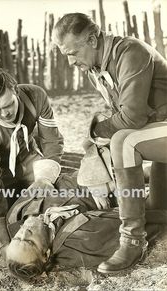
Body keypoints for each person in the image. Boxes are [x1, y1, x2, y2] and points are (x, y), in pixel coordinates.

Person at [52, 13, 167, 274]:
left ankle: (132, 241)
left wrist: (93, 131)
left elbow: (131, 117)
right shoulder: (97, 69)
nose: (70, 61)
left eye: (73, 52)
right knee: (158, 212)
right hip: (162, 138)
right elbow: (121, 115)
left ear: (92, 40)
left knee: (123, 142)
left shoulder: (130, 51)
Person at [4, 174, 167, 281]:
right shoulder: (82, 239)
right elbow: (141, 221)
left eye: (17, 237)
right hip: (124, 191)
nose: (24, 230)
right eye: (30, 241)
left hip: (90, 175)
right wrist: (107, 187)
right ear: (46, 253)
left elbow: (52, 181)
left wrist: (90, 182)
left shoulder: (17, 215)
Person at [0, 68, 64, 251]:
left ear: (16, 91)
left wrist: (45, 178)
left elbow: (51, 140)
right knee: (3, 219)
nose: (4, 113)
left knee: (56, 192)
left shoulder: (35, 96)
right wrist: (5, 245)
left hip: (28, 156)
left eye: (8, 105)